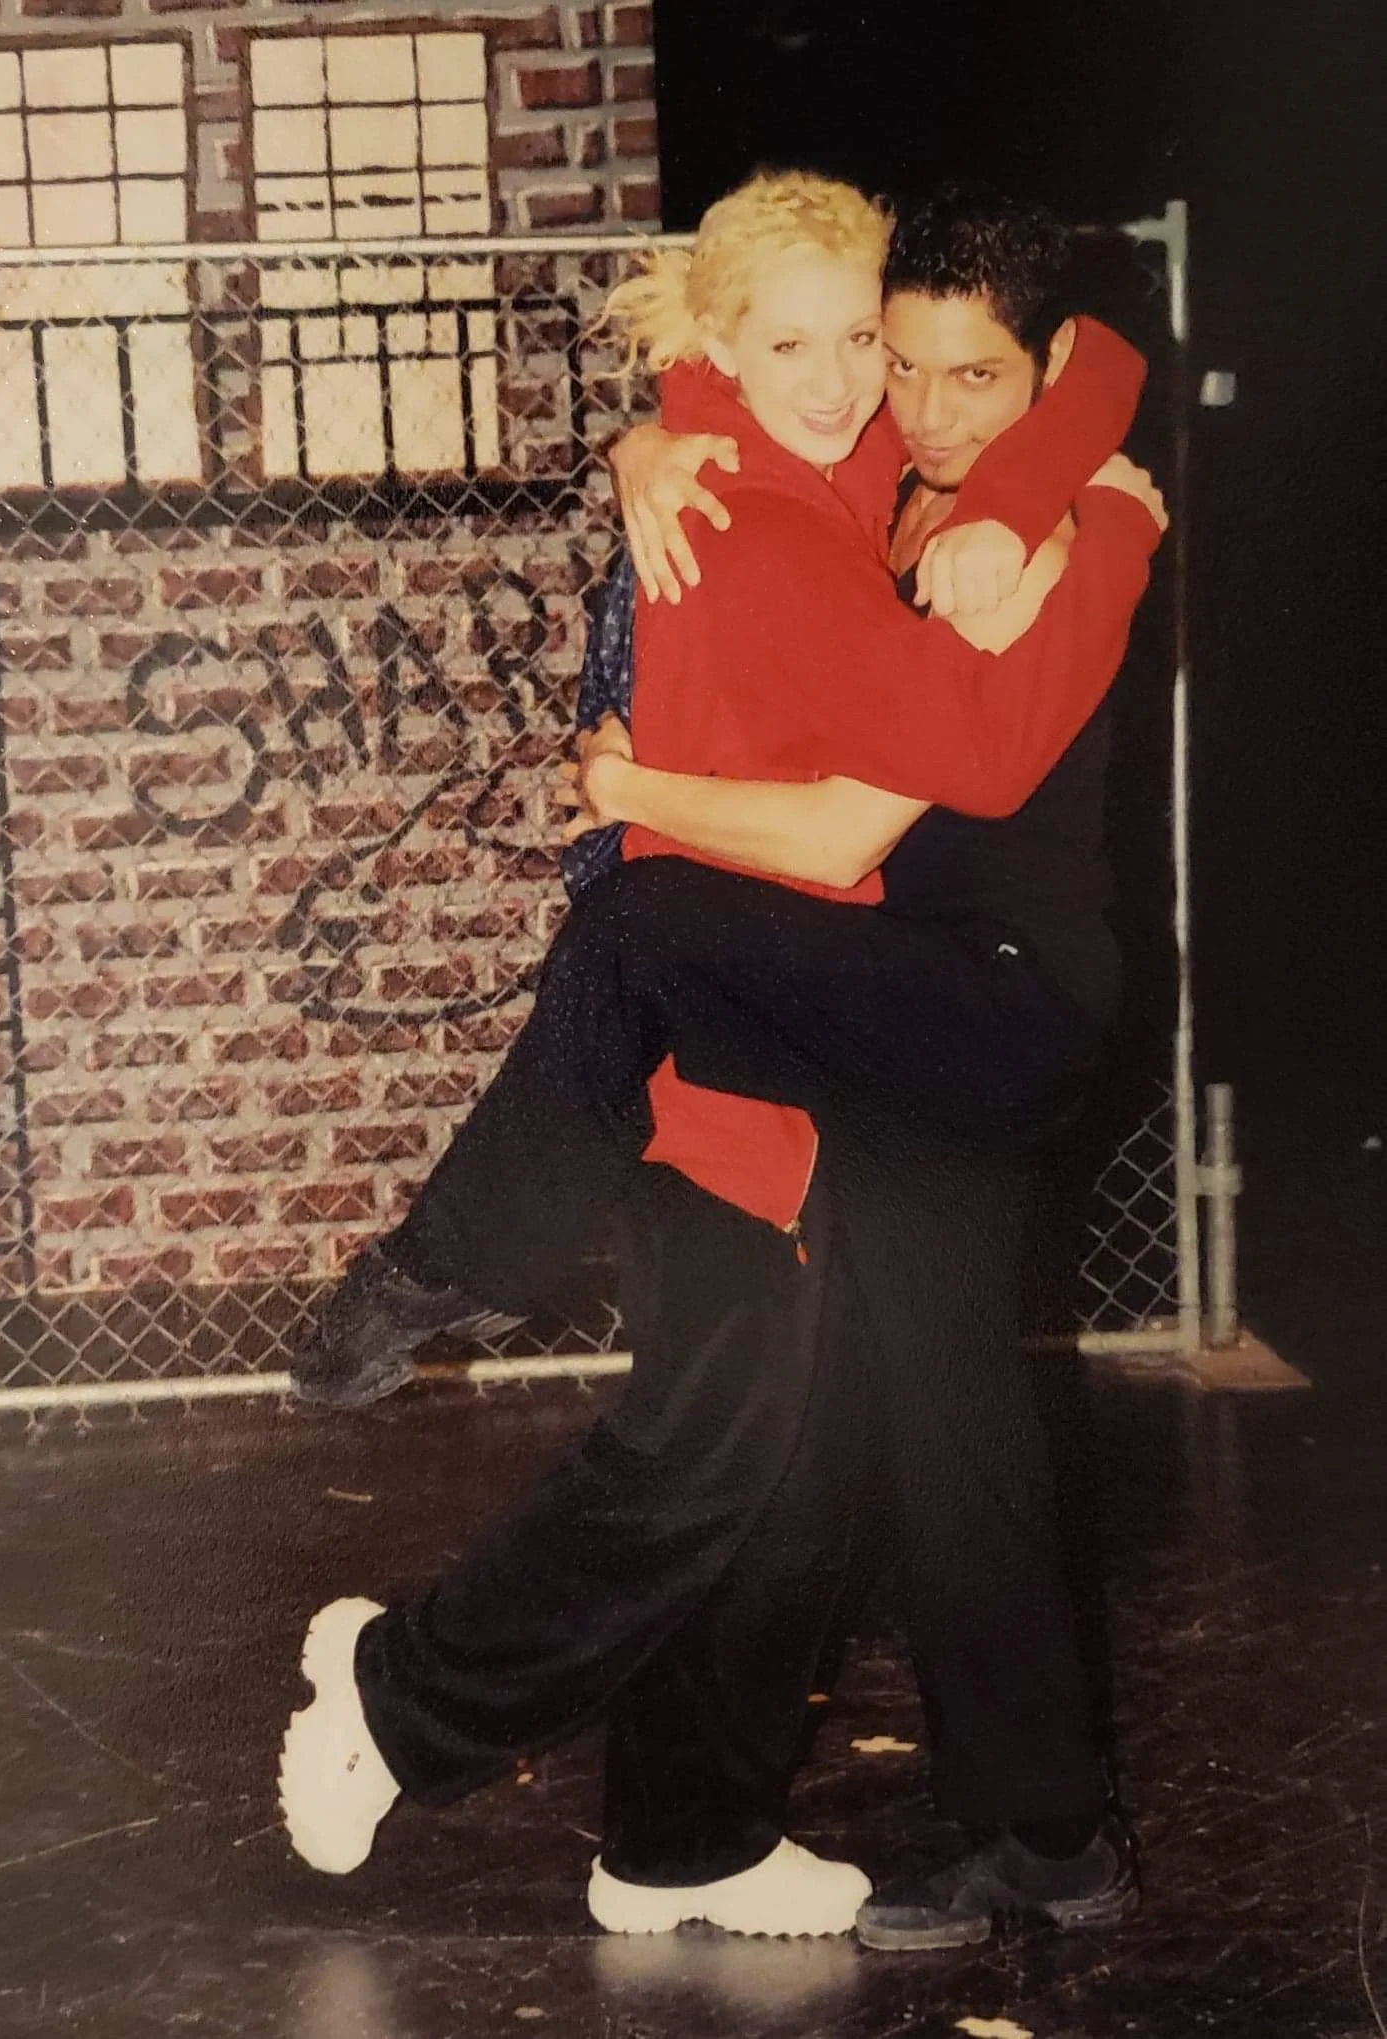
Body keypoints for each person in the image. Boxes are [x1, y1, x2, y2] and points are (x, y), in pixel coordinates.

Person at [279, 173, 1164, 1942]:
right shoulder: (816, 492)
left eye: (943, 372)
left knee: (730, 1407)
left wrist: (626, 792)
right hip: (826, 1053)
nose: (894, 401)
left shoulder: (1053, 512)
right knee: (850, 1448)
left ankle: (413, 1586)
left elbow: (945, 767)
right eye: (859, 358)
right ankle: (767, 1836)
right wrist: (651, 431)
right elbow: (788, 391)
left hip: (953, 1015)